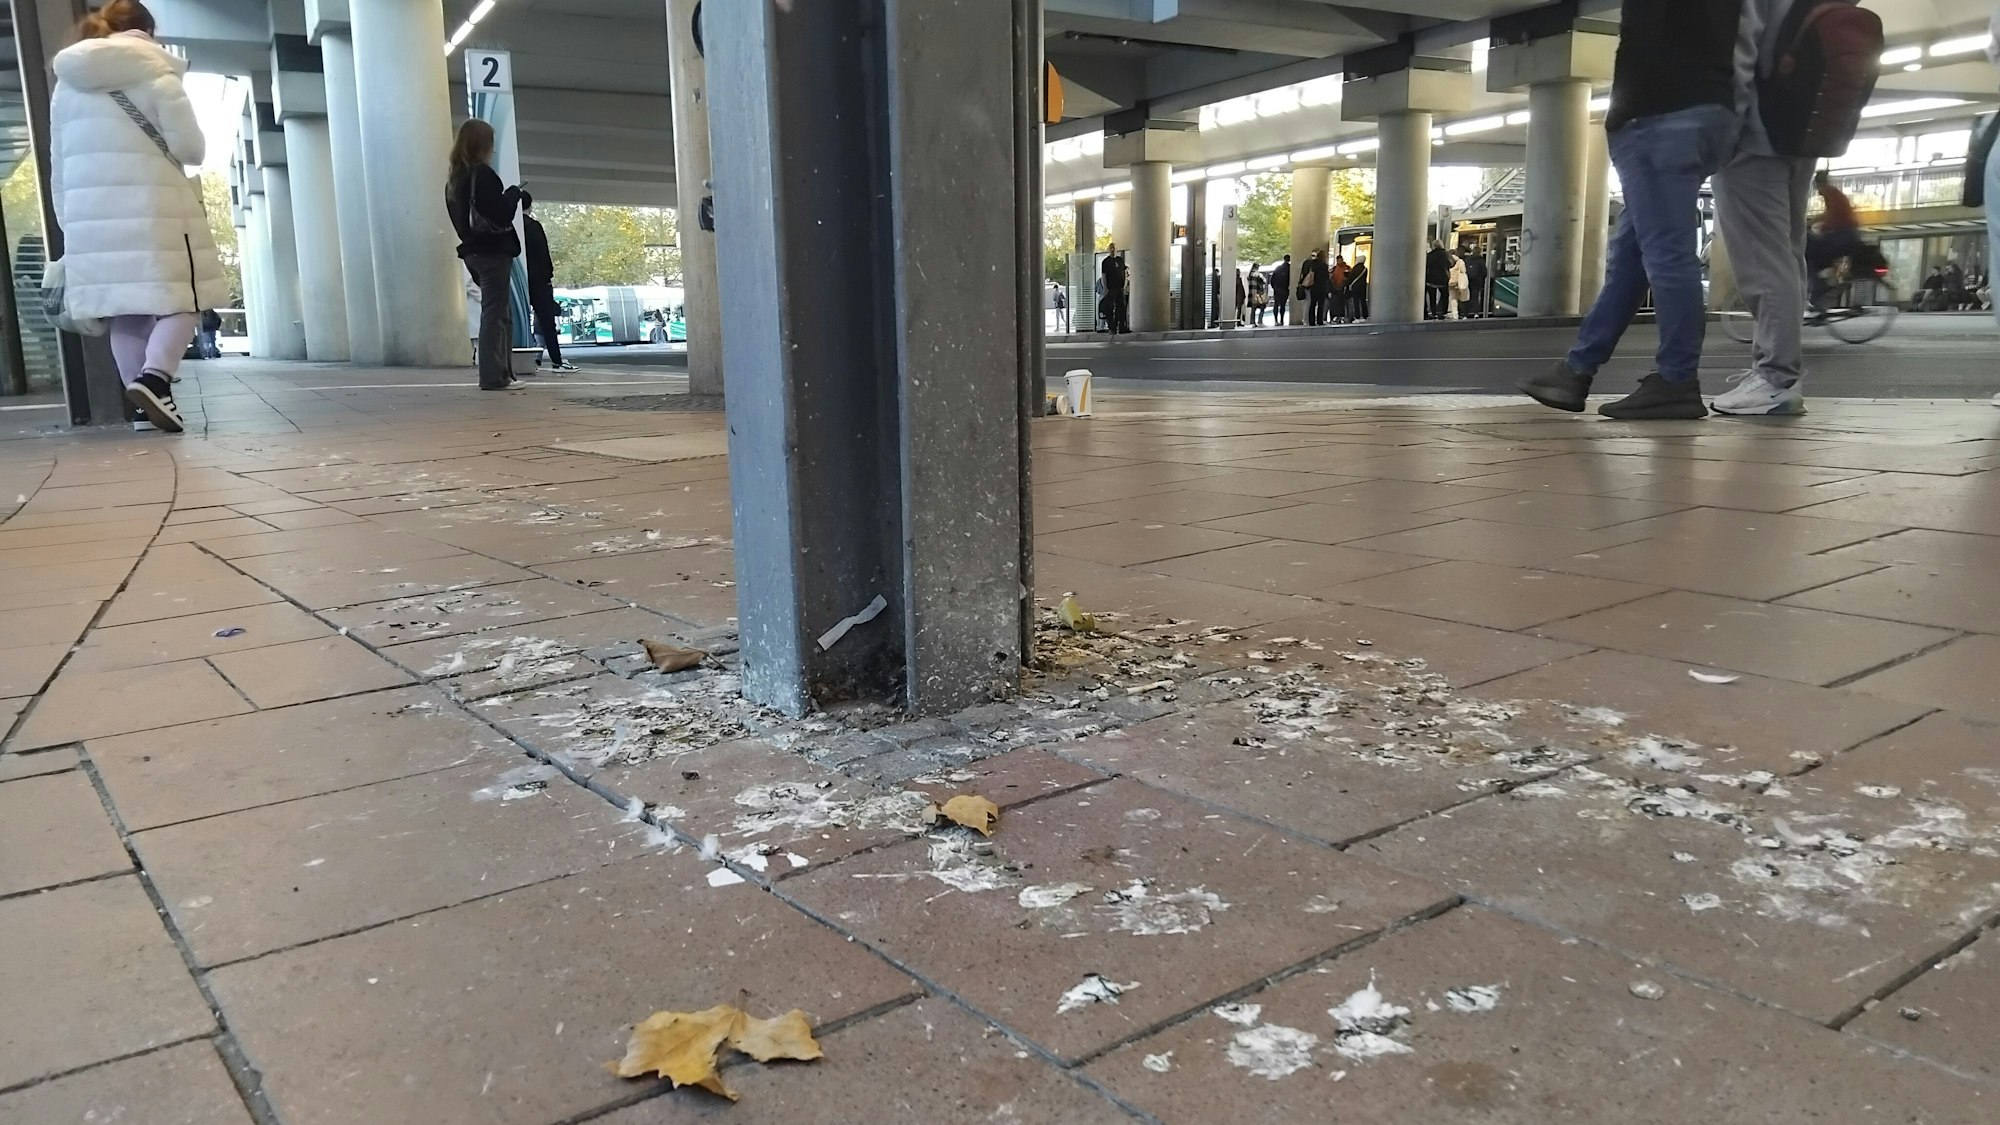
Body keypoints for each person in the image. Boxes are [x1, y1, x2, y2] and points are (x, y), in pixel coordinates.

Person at [1519, 0, 1743, 420]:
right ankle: (1575, 370)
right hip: (1714, 110)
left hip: (1659, 117)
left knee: (1666, 255)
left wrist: (1622, 115)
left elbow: (1643, 39)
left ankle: (1677, 380)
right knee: (1631, 257)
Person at [49, 0, 225, 434]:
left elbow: (58, 163)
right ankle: (154, 379)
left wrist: (69, 222)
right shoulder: (158, 74)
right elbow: (191, 150)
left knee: (124, 311)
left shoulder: (66, 85)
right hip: (155, 207)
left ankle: (147, 410)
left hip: (89, 215)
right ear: (149, 30)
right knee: (185, 300)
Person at [1708, 0, 1811, 416]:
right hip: (1802, 124)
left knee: (1763, 258)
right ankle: (1780, 373)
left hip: (1755, 128)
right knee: (1786, 252)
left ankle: (1775, 377)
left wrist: (1723, 127)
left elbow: (1740, 45)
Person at [445, 118, 522, 391]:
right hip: (492, 251)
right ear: (483, 144)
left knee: (497, 310)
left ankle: (501, 373)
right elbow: (499, 213)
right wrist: (513, 194)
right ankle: (494, 376)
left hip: (472, 253)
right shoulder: (483, 174)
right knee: (496, 312)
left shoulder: (454, 181)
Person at [520, 191, 576, 373]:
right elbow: (543, 254)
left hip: (518, 280)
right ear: (530, 206)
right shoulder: (534, 227)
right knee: (547, 323)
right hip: (538, 281)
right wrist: (547, 276)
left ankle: (517, 360)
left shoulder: (509, 227)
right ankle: (557, 361)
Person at [1805, 169, 1861, 311]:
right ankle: (1825, 281)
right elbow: (1830, 214)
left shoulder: (1830, 193)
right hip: (1848, 235)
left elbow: (1832, 216)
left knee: (1809, 250)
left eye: (1816, 186)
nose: (1817, 191)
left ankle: (1821, 286)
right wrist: (1815, 222)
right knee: (1818, 250)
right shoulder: (1834, 193)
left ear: (1819, 184)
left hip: (1844, 235)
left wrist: (1817, 226)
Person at [1100, 244, 1129, 334]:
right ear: (1109, 250)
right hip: (1111, 288)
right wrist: (1105, 288)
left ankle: (1122, 327)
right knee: (1110, 307)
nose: (1113, 250)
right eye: (1111, 248)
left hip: (1120, 287)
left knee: (1121, 307)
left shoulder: (1120, 260)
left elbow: (1124, 272)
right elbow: (1104, 276)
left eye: (1114, 248)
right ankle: (1112, 327)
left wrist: (1125, 285)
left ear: (1117, 249)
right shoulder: (1105, 262)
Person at [1425, 240, 1454, 319]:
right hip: (1443, 278)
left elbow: (1426, 265)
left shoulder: (1430, 255)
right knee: (1445, 296)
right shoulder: (1446, 254)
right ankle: (1443, 312)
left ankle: (1434, 312)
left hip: (1431, 279)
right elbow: (1452, 264)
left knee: (1432, 297)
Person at [1463, 250, 1489, 318]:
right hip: (1477, 281)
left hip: (1468, 280)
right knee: (1475, 297)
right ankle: (1476, 312)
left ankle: (1465, 313)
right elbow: (1484, 272)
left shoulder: (1467, 260)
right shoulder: (1481, 261)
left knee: (1467, 297)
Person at [1270, 254, 1292, 326]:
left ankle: (1275, 321)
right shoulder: (1289, 268)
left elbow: (1272, 279)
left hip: (1277, 289)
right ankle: (1282, 320)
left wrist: (1274, 287)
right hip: (1284, 289)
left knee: (1276, 305)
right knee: (1283, 305)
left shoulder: (1278, 268)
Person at [1345, 257, 1369, 321]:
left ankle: (1357, 316)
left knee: (1356, 302)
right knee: (1363, 301)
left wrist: (1347, 284)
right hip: (1363, 287)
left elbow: (1351, 278)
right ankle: (1365, 315)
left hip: (1355, 287)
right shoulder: (1365, 269)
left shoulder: (1355, 268)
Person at [1329, 254, 1349, 323]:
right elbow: (1331, 277)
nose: (1339, 262)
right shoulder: (1335, 268)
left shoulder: (1347, 268)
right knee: (1336, 304)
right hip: (1335, 289)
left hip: (1342, 289)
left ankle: (1341, 316)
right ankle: (1336, 316)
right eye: (1338, 261)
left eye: (1340, 260)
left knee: (1341, 304)